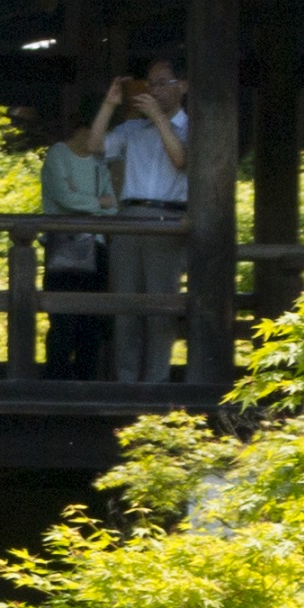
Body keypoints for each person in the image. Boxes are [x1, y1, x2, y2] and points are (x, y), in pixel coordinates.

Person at [91, 54, 192, 385]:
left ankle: (155, 386)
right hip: (129, 217)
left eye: (163, 83)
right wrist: (109, 105)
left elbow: (181, 160)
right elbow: (93, 147)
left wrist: (160, 120)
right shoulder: (132, 129)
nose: (154, 90)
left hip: (168, 218)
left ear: (184, 86)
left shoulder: (193, 126)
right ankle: (126, 382)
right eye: (151, 84)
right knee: (126, 307)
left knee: (160, 308)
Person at [35, 92, 117, 380]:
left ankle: (87, 383)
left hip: (96, 249)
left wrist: (87, 201)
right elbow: (64, 197)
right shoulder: (58, 154)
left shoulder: (99, 163)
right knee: (63, 323)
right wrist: (96, 202)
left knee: (92, 324)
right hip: (64, 249)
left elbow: (113, 206)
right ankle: (54, 386)